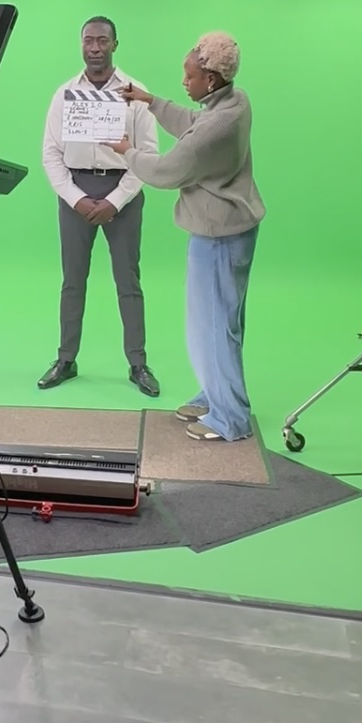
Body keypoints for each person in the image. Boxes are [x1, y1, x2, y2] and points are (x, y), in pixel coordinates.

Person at [114, 32, 264, 442]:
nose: (184, 81)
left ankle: (230, 418)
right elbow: (192, 121)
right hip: (231, 230)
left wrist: (126, 151)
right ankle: (216, 395)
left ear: (211, 80)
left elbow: (167, 170)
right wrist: (149, 101)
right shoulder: (234, 100)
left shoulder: (217, 126)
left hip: (219, 237)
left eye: (190, 75)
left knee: (213, 329)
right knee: (221, 324)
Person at [39, 16, 160, 397]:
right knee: (72, 281)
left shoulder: (135, 94)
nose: (95, 48)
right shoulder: (63, 94)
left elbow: (149, 155)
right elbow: (50, 154)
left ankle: (138, 363)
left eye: (102, 41)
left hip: (122, 191)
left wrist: (114, 200)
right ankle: (66, 359)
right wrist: (74, 197)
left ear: (115, 44)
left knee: (129, 281)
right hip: (74, 191)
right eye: (88, 41)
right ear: (81, 45)